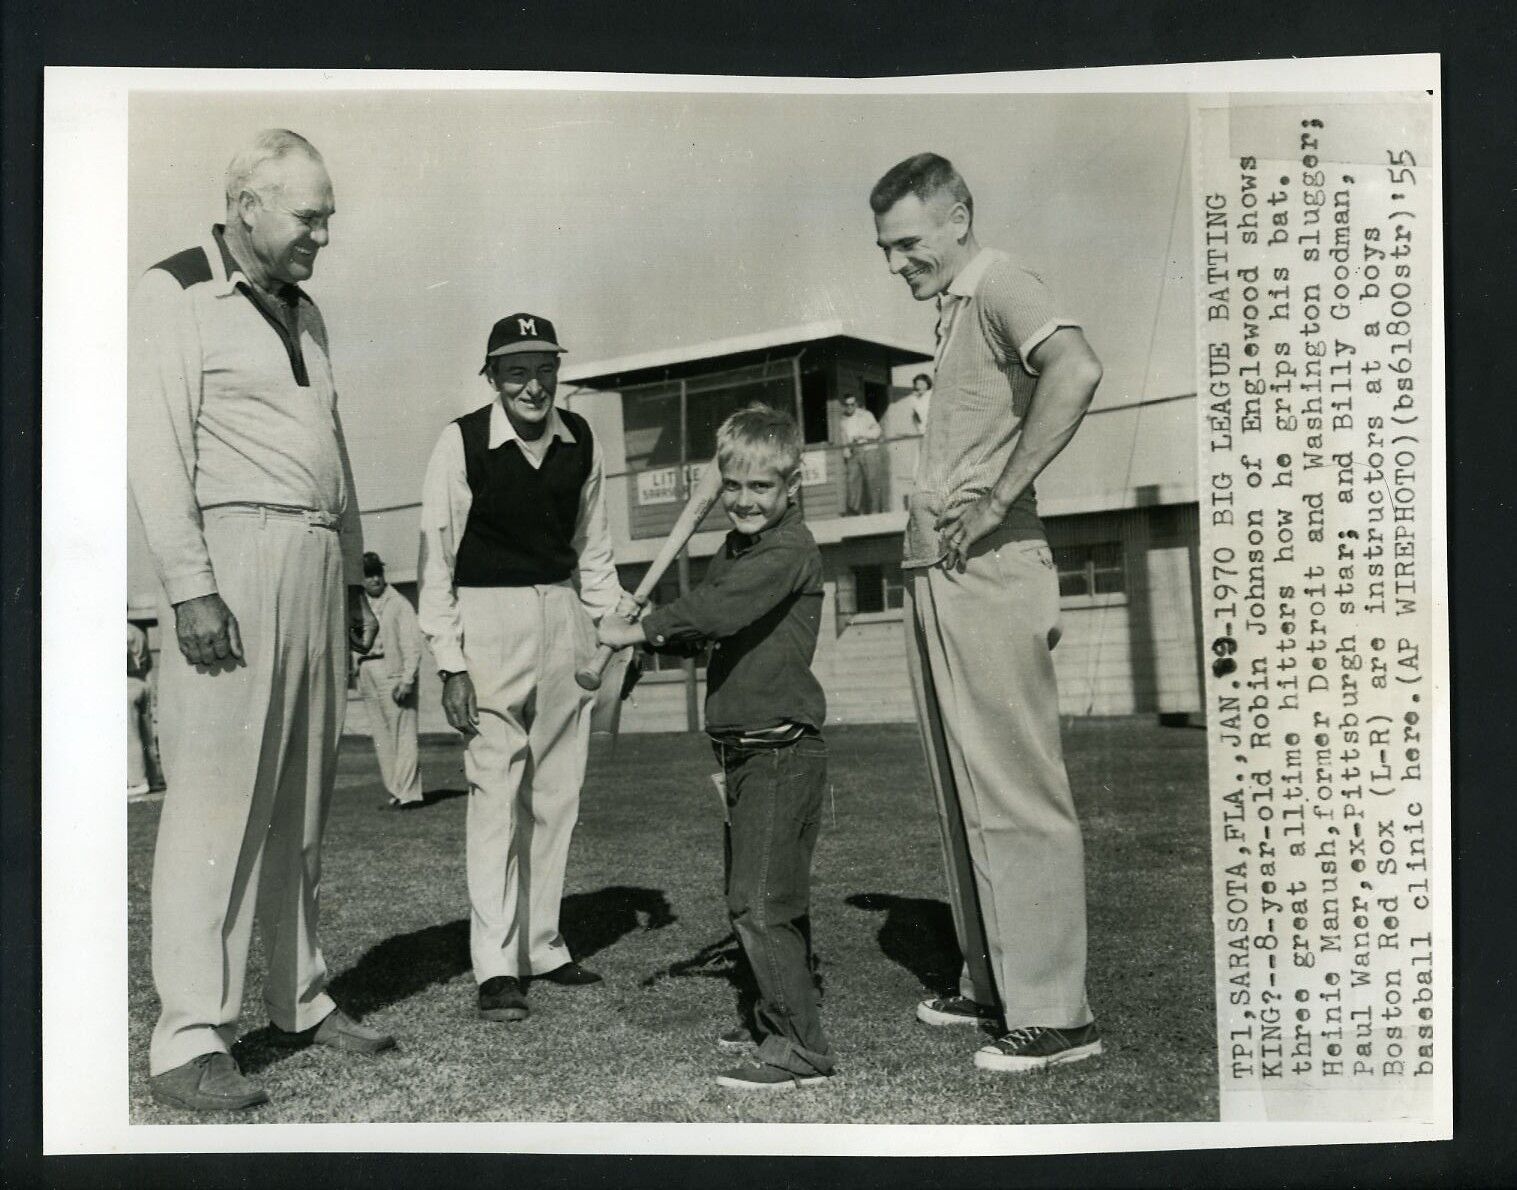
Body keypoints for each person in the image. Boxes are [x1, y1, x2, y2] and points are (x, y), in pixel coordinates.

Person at [128, 129, 395, 1112]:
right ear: (247, 205)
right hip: (232, 560)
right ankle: (187, 1036)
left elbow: (333, 451)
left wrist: (356, 580)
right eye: (308, 216)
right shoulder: (173, 290)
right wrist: (192, 586)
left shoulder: (307, 311)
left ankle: (299, 996)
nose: (324, 233)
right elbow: (155, 451)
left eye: (328, 217)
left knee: (302, 800)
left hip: (316, 558)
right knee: (212, 805)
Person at [869, 152, 1105, 1072]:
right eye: (884, 249)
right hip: (941, 570)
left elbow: (1076, 372)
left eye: (908, 242)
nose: (896, 263)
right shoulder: (955, 308)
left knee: (1014, 787)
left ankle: (1057, 1013)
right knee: (961, 784)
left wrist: (1001, 495)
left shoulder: (1002, 279)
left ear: (958, 216)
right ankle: (993, 981)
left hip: (994, 565)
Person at [599, 404, 834, 1093]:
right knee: (761, 896)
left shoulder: (789, 550)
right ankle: (776, 1019)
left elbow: (718, 611)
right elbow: (707, 620)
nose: (743, 500)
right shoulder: (738, 550)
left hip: (779, 749)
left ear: (792, 486)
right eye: (731, 486)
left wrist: (639, 632)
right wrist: (651, 636)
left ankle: (800, 1049)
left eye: (762, 487)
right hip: (742, 751)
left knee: (759, 902)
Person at [418, 312, 629, 1025]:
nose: (533, 385)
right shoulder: (461, 441)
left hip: (563, 618)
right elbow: (435, 563)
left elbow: (592, 549)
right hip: (487, 622)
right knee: (493, 798)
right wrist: (450, 663)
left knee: (556, 794)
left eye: (544, 369)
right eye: (516, 371)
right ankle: (495, 965)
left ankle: (544, 945)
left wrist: (610, 617)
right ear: (492, 377)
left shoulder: (582, 439)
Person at [351, 552, 426, 809]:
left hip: (391, 669)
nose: (374, 579)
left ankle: (410, 793)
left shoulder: (398, 603)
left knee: (402, 732)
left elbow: (412, 644)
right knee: (381, 734)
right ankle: (396, 789)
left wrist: (408, 678)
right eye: (368, 574)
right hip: (367, 669)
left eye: (377, 573)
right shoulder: (359, 604)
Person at [884, 372, 934, 510]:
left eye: (922, 385)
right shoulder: (915, 399)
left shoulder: (930, 396)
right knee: (916, 468)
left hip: (929, 435)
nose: (919, 388)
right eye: (917, 385)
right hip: (919, 436)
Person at [837, 393, 887, 515]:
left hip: (868, 449)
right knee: (852, 482)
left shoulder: (866, 415)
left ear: (856, 404)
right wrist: (846, 451)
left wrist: (862, 434)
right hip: (854, 452)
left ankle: (875, 511)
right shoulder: (843, 420)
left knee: (872, 481)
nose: (850, 407)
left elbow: (877, 431)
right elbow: (844, 438)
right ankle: (855, 512)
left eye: (852, 404)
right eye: (847, 405)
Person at [127, 623, 158, 798]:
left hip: (126, 682)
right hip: (142, 682)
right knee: (146, 734)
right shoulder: (137, 631)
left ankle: (137, 780)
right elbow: (149, 663)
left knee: (129, 735)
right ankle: (153, 778)